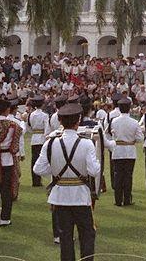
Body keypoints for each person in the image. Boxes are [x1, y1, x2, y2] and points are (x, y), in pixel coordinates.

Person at [33, 102, 100, 261]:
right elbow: (94, 171)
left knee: (65, 238)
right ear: (78, 121)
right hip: (81, 197)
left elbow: (38, 169)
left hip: (60, 197)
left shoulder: (50, 143)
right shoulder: (86, 143)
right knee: (87, 236)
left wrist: (56, 171)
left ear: (60, 121)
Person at [108, 97, 143, 206]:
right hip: (129, 151)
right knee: (128, 176)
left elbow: (110, 134)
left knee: (118, 175)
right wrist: (131, 139)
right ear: (129, 108)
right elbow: (140, 138)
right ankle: (127, 199)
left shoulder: (114, 121)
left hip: (117, 151)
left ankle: (118, 200)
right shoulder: (134, 122)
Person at [28, 96, 49, 187]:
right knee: (40, 159)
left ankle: (35, 181)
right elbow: (47, 129)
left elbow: (28, 127)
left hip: (34, 138)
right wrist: (46, 137)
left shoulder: (31, 114)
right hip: (41, 138)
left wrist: (33, 132)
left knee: (34, 159)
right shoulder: (44, 115)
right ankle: (38, 180)